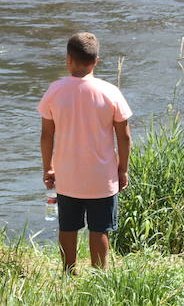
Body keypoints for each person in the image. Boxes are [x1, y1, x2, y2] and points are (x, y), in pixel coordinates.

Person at [38, 33, 132, 272]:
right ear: (96, 61)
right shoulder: (110, 92)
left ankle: (69, 272)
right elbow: (124, 136)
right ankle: (99, 275)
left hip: (67, 175)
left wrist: (48, 167)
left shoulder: (55, 90)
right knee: (100, 228)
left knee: (67, 227)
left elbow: (47, 135)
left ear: (68, 59)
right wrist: (123, 169)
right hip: (102, 176)